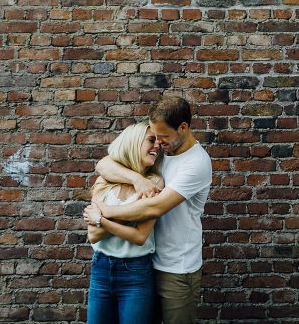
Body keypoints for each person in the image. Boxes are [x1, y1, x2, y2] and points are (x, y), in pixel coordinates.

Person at [89, 96, 212, 324]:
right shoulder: (164, 151)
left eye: (163, 136)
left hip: (176, 267)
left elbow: (154, 207)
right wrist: (137, 179)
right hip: (146, 263)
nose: (158, 142)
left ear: (183, 127)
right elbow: (103, 164)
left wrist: (104, 213)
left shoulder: (196, 163)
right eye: (154, 136)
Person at [83, 122, 164, 324]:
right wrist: (132, 214)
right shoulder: (105, 181)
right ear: (134, 142)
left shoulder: (155, 183)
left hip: (135, 273)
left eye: (159, 142)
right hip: (101, 268)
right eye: (151, 140)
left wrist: (102, 219)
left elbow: (139, 237)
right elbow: (93, 235)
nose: (157, 146)